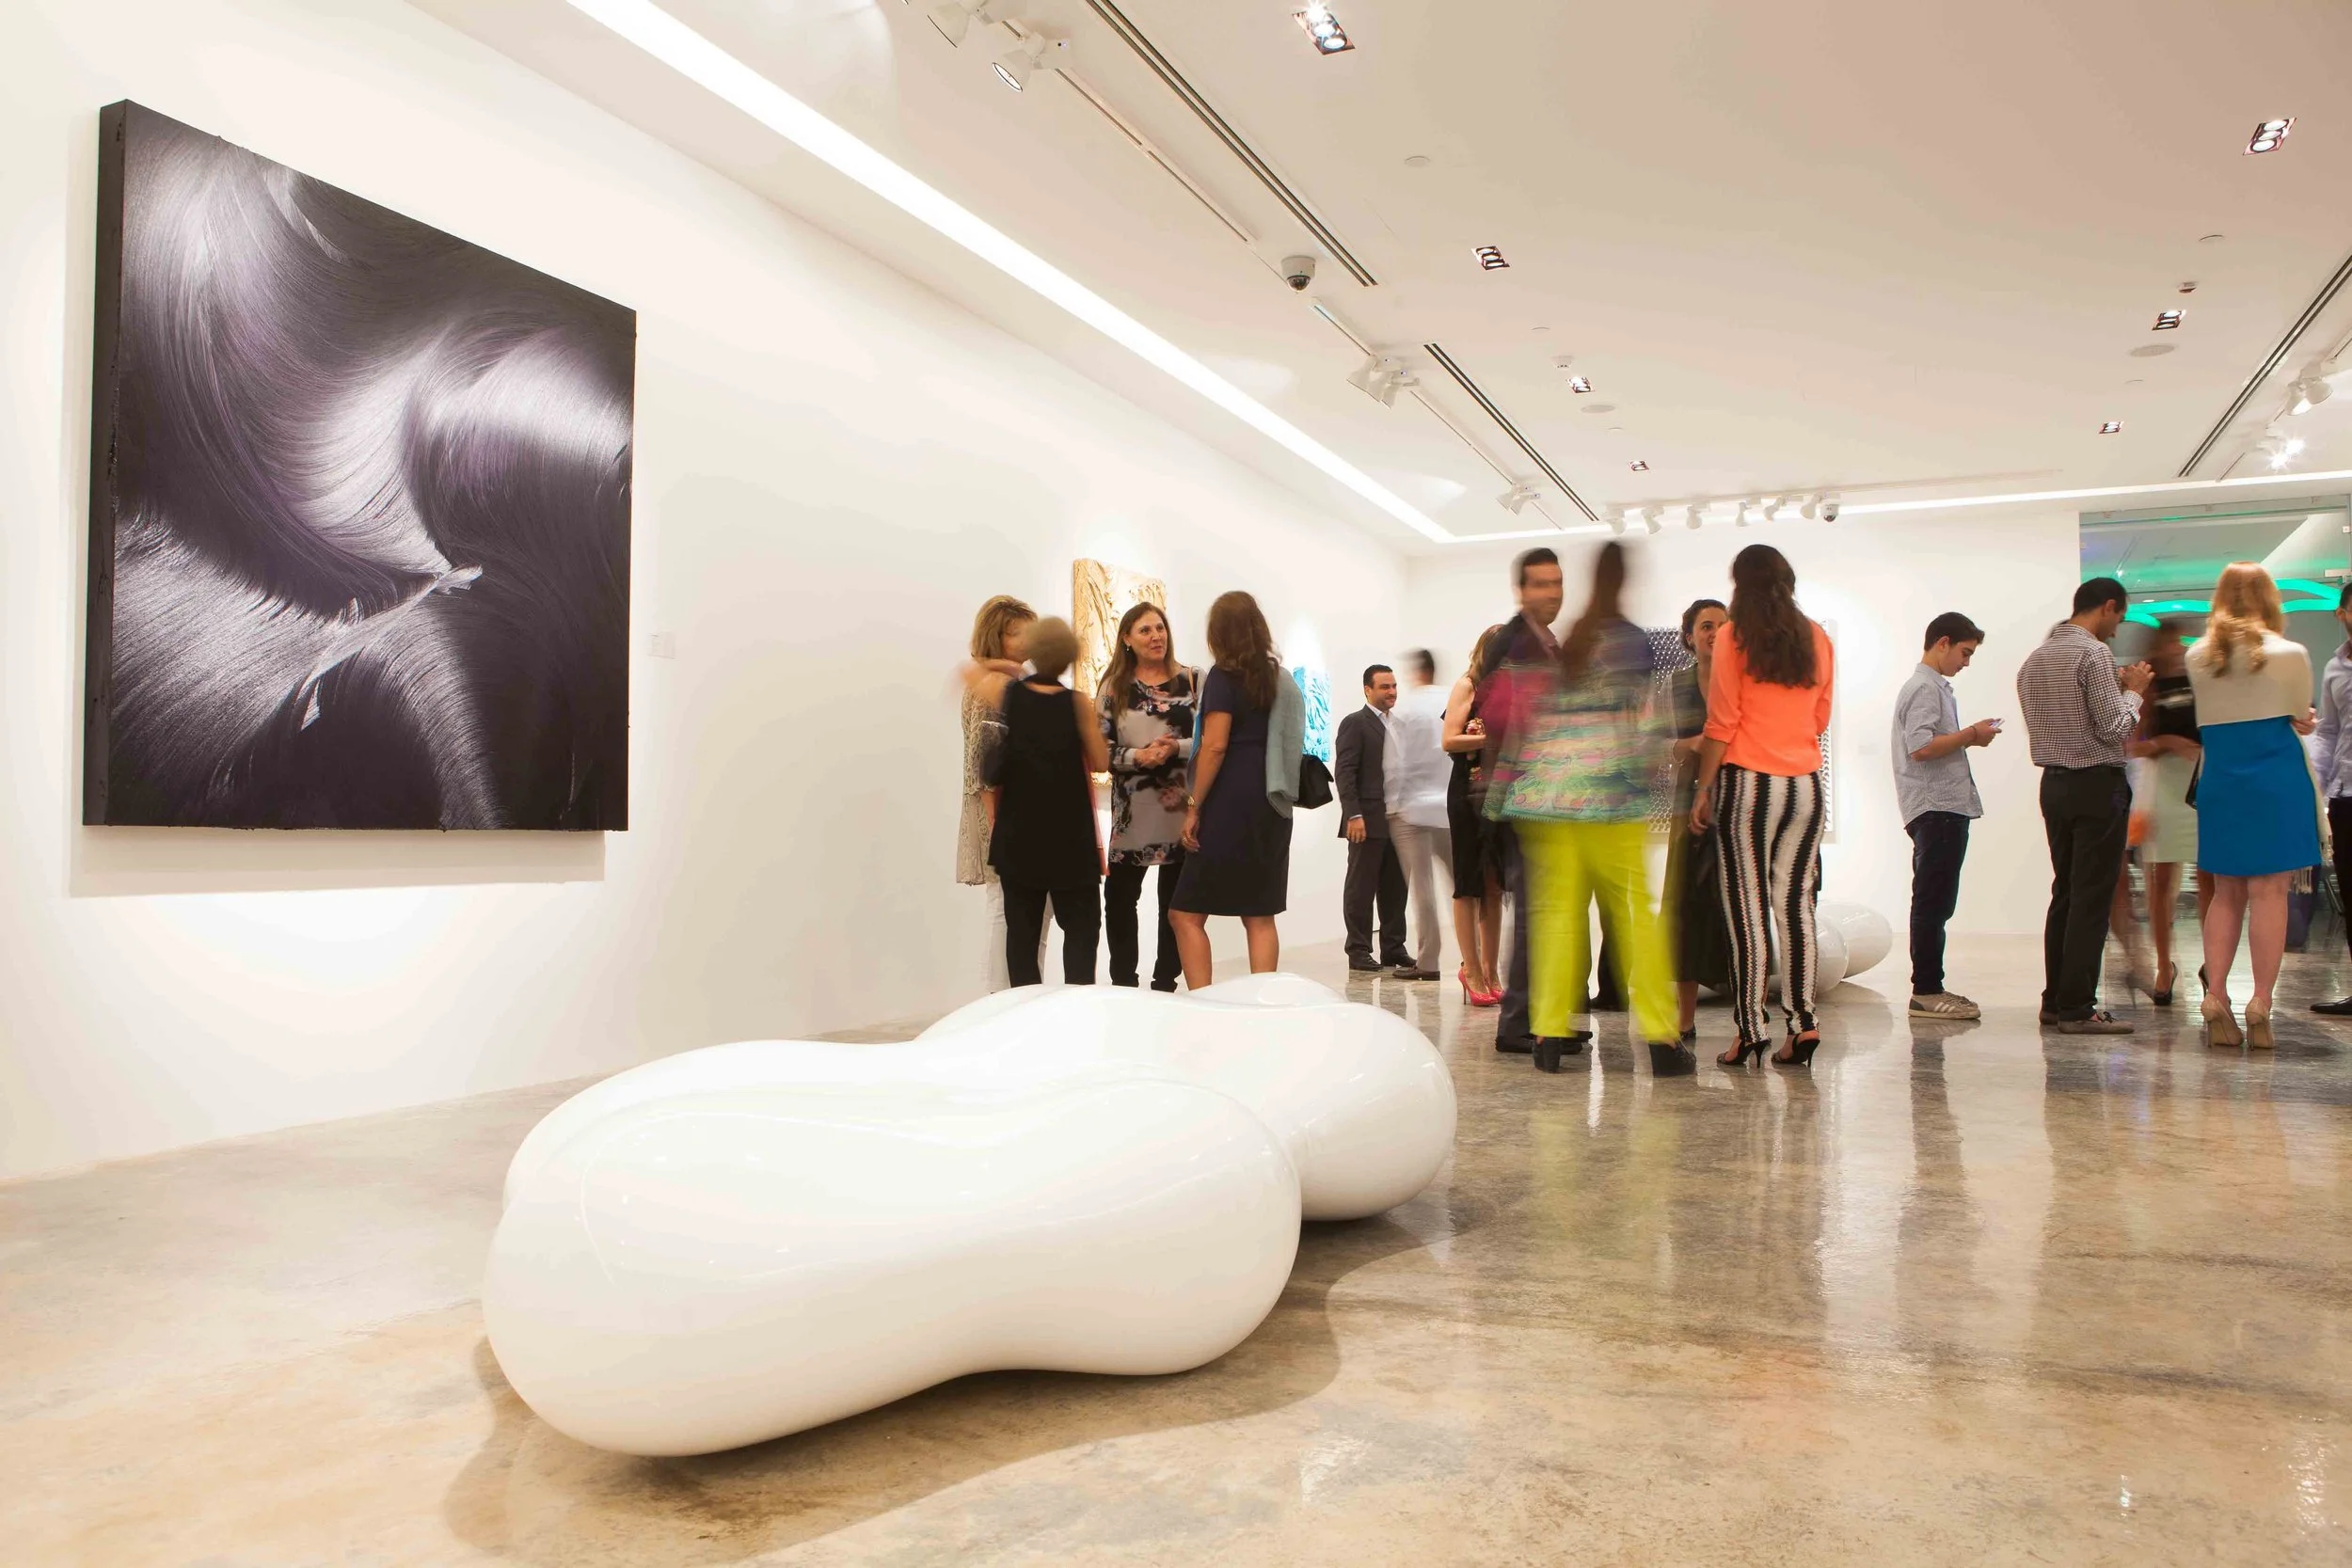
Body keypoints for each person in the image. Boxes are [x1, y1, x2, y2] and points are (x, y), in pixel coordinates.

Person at [1490, 543, 1689, 1076]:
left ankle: (1550, 1035)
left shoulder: (1572, 640)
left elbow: (1541, 716)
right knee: (1634, 919)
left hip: (1546, 797)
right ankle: (1662, 1039)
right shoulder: (1631, 642)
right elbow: (1646, 725)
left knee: (1557, 918)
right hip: (1607, 793)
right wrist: (1654, 771)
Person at [1690, 544, 1835, 1068]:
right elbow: (1820, 718)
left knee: (1746, 911)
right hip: (1806, 785)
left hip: (1750, 783)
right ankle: (1804, 1024)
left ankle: (1751, 1028)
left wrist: (1704, 789)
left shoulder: (1733, 637)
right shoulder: (1816, 636)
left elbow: (1722, 723)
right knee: (1797, 908)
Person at [2187, 563, 2322, 1050]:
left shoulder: (2197, 656)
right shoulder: (2291, 654)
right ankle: (2261, 1000)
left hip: (2222, 780)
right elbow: (2299, 714)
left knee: (2226, 892)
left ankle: (2215, 997)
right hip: (2277, 780)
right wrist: (2302, 720)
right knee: (2270, 893)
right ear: (2270, 598)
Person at [2015, 578, 2153, 1035]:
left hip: (2053, 786)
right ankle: (2077, 1007)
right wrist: (2134, 690)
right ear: (2108, 607)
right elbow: (2115, 728)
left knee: (2066, 894)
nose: (2117, 628)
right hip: (2097, 785)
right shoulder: (2093, 654)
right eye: (2119, 617)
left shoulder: (2034, 660)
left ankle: (2055, 1001)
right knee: (2092, 898)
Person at [963, 617, 1107, 987]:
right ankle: (1077, 1008)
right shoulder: (1078, 704)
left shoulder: (1008, 695)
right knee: (1080, 934)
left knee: (1022, 937)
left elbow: (968, 671)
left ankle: (1023, 1014)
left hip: (1020, 837)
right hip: (1069, 838)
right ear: (1069, 656)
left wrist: (1007, 666)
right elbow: (1102, 761)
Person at [1172, 592, 1303, 989]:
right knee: (1259, 914)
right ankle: (1263, 1004)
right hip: (1271, 801)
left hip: (1231, 798)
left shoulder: (1225, 677)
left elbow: (1214, 745)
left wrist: (1194, 805)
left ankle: (1203, 1001)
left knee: (1185, 913)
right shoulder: (1278, 677)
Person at [1475, 547, 1567, 1054]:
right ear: (1521, 590)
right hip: (1524, 793)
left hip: (1539, 791)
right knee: (1536, 910)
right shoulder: (1515, 643)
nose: (1551, 593)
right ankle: (1518, 1024)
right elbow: (1508, 722)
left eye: (1557, 583)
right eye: (1540, 584)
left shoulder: (1544, 642)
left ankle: (1538, 1017)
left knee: (1545, 910)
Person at [1891, 612, 1999, 1020]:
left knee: (1937, 902)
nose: (1966, 663)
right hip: (1936, 807)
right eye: (1964, 653)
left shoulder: (1932, 687)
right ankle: (1926, 991)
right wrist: (1971, 734)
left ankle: (1931, 986)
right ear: (1942, 642)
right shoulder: (1923, 688)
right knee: (1932, 902)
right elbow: (1920, 746)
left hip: (1944, 807)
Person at [1098, 602, 1198, 991]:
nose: (1156, 636)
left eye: (1160, 628)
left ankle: (1165, 982)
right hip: (1132, 813)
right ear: (1127, 639)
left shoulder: (1193, 681)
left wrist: (1176, 749)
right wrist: (1138, 755)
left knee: (1175, 905)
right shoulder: (1114, 688)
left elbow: (1213, 741)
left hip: (1184, 811)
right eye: (1145, 630)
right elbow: (1099, 749)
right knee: (1120, 900)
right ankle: (1123, 981)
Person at [960, 594, 1044, 990]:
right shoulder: (994, 684)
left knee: (1022, 914)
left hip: (1015, 814)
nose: (1028, 639)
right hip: (1005, 815)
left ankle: (1017, 998)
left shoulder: (1009, 681)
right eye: (1017, 633)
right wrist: (998, 823)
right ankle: (1000, 1004)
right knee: (1007, 912)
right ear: (998, 637)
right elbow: (985, 762)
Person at [1664, 599, 1731, 1042]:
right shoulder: (1678, 683)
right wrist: (1694, 742)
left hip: (1736, 801)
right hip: (1687, 804)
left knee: (1737, 909)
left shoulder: (1743, 681)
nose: (1715, 633)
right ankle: (1683, 1020)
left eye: (1723, 626)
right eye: (1707, 626)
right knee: (1683, 910)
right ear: (1689, 636)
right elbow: (1665, 749)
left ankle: (1748, 1020)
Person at [2129, 617, 2203, 1006]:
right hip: (2163, 783)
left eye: (2181, 642)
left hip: (2200, 782)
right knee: (2161, 880)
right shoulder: (2149, 685)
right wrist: (2168, 741)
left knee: (2209, 875)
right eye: (2171, 642)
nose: (2178, 648)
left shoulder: (2200, 678)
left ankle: (2214, 964)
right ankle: (2163, 964)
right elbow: (2132, 744)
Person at [1335, 666, 1412, 974]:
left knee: (1396, 889)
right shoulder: (1355, 724)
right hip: (1366, 821)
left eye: (1394, 686)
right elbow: (1345, 773)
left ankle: (1394, 948)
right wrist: (1353, 814)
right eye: (1384, 687)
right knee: (1361, 889)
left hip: (1399, 820)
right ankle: (1359, 950)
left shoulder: (1401, 726)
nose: (1391, 692)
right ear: (1367, 689)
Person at [1443, 630, 1505, 1006]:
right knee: (1468, 884)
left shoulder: (1511, 690)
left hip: (1499, 793)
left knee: (1494, 885)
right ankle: (1471, 969)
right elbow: (1449, 740)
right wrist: (1492, 739)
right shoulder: (1468, 685)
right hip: (1467, 793)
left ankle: (1491, 968)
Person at [1388, 650, 1454, 984]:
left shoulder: (1406, 709)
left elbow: (1396, 762)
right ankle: (1481, 957)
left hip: (1412, 810)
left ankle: (1428, 961)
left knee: (1422, 889)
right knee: (1463, 889)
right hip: (1450, 808)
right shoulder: (1452, 699)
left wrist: (1392, 805)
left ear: (1417, 672)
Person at [2311, 584, 2352, 1016]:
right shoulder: (2334, 668)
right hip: (2345, 797)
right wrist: (2317, 790)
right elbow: (2327, 733)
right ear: (2341, 614)